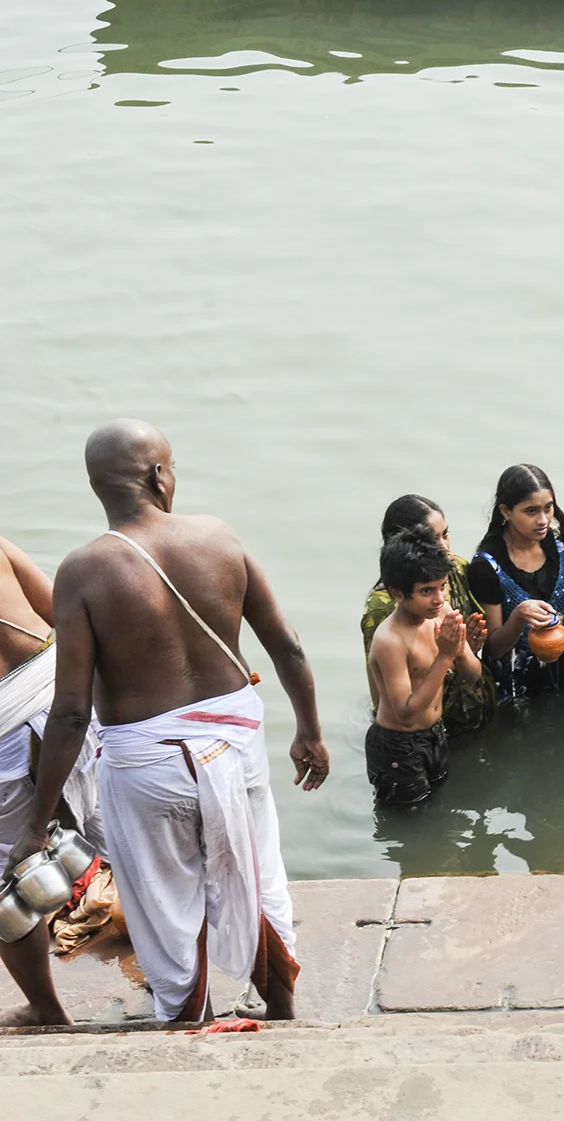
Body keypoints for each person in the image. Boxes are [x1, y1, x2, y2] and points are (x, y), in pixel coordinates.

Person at [12, 420, 329, 1023]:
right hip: (235, 750)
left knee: (165, 904)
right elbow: (287, 647)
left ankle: (190, 1021)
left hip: (147, 769)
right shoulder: (218, 538)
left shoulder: (83, 571)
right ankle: (281, 1006)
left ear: (96, 486)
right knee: (258, 876)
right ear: (159, 476)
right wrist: (309, 730)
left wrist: (36, 823)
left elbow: (73, 710)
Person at [0, 536, 104, 1027]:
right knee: (125, 844)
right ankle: (188, 984)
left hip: (9, 737)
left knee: (6, 892)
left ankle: (46, 1009)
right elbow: (61, 617)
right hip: (68, 711)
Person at [360, 495, 494, 736]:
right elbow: (383, 693)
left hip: (453, 715)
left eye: (446, 534)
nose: (443, 547)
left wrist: (464, 649)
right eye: (433, 539)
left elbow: (468, 664)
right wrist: (447, 655)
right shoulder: (384, 607)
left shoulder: (454, 571)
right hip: (408, 732)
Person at [365, 530, 481, 806]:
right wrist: (445, 656)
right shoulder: (390, 640)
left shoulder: (442, 613)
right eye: (426, 591)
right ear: (398, 594)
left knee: (437, 807)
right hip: (398, 746)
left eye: (442, 586)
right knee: (408, 819)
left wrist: (460, 654)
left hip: (435, 734)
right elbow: (405, 713)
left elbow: (474, 675)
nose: (439, 598)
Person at [466, 465, 564, 708]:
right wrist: (518, 617)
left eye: (548, 508)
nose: (543, 520)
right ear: (506, 512)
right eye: (531, 511)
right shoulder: (486, 567)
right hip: (513, 688)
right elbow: (493, 647)